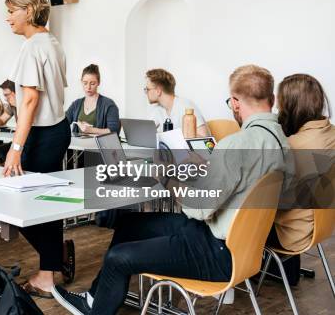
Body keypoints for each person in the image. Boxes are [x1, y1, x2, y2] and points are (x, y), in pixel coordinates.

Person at [52, 64, 295, 315]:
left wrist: (169, 180)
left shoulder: (237, 145)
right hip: (241, 244)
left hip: (218, 250)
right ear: (272, 99)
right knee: (128, 226)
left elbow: (199, 208)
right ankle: (95, 299)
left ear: (235, 102)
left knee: (118, 257)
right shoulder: (282, 142)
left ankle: (95, 310)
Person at [4, 0, 74, 297]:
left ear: (29, 12)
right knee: (46, 204)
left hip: (42, 134)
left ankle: (52, 266)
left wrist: (15, 148)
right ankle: (50, 269)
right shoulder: (53, 43)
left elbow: (31, 99)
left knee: (22, 206)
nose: (8, 18)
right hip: (57, 130)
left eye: (12, 11)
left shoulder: (33, 46)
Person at [270, 74, 335, 284]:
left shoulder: (293, 146)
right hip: (321, 225)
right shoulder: (330, 133)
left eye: (280, 105)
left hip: (293, 232)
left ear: (291, 106)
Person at [145, 68, 209, 137]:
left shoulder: (186, 106)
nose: (146, 92)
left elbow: (205, 138)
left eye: (147, 89)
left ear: (158, 91)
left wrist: (177, 135)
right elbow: (145, 132)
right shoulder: (158, 110)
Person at [65, 64, 120, 135]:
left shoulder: (109, 104)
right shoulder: (76, 104)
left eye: (92, 83)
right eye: (85, 83)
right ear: (81, 82)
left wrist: (91, 130)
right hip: (78, 146)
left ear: (98, 82)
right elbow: (64, 123)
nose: (88, 87)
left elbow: (114, 131)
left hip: (98, 146)